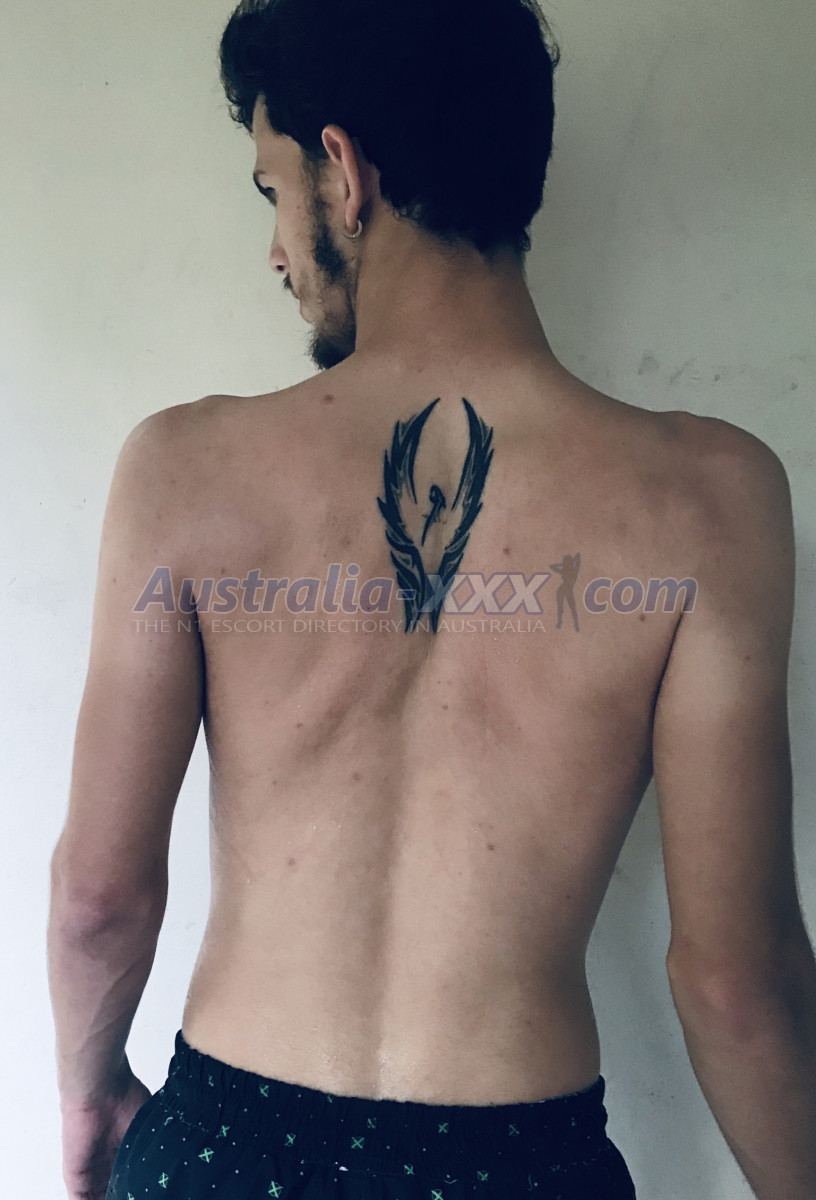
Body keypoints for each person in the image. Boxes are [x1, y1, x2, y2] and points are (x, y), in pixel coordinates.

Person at [46, 1, 816, 1198]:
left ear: (343, 171)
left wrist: (91, 1100)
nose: (277, 254)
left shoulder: (183, 472)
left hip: (225, 1152)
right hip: (520, 1166)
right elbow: (738, 980)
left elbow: (99, 899)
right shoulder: (711, 503)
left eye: (272, 191)